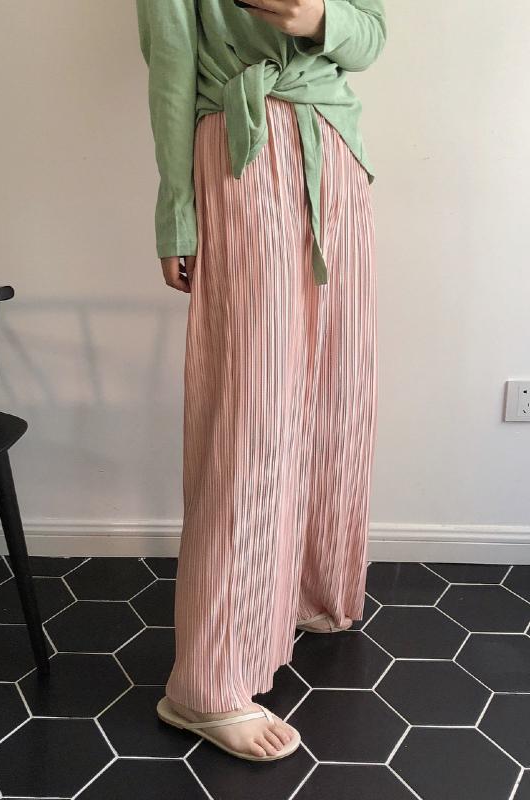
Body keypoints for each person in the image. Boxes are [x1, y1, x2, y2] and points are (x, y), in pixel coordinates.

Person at [136, 0, 387, 762]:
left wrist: (319, 18)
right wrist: (177, 215)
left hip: (334, 152)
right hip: (241, 153)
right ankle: (204, 686)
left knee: (336, 392)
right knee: (251, 410)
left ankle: (303, 591)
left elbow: (371, 36)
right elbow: (172, 69)